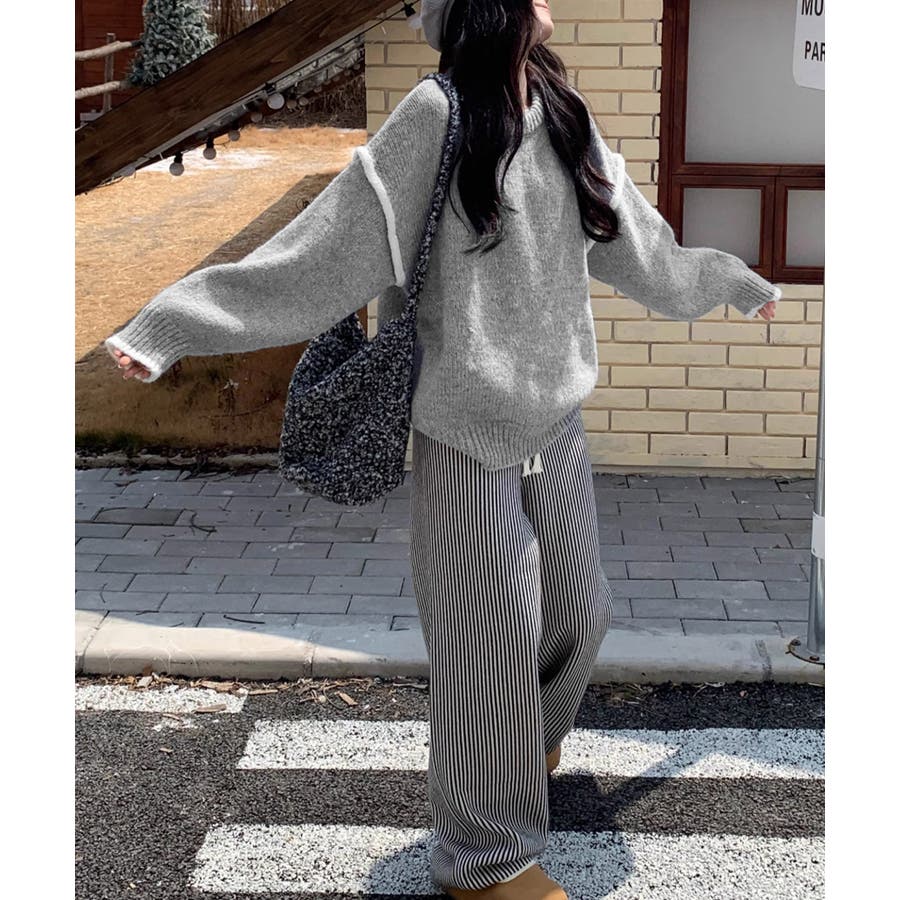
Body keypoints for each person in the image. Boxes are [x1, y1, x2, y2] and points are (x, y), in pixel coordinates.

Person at [105, 2, 780, 897]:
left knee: (579, 615)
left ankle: (516, 751)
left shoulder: (562, 110)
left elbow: (633, 243)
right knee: (487, 642)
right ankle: (484, 862)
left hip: (554, 419)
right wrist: (172, 324)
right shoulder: (435, 115)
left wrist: (722, 281)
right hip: (461, 428)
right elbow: (323, 252)